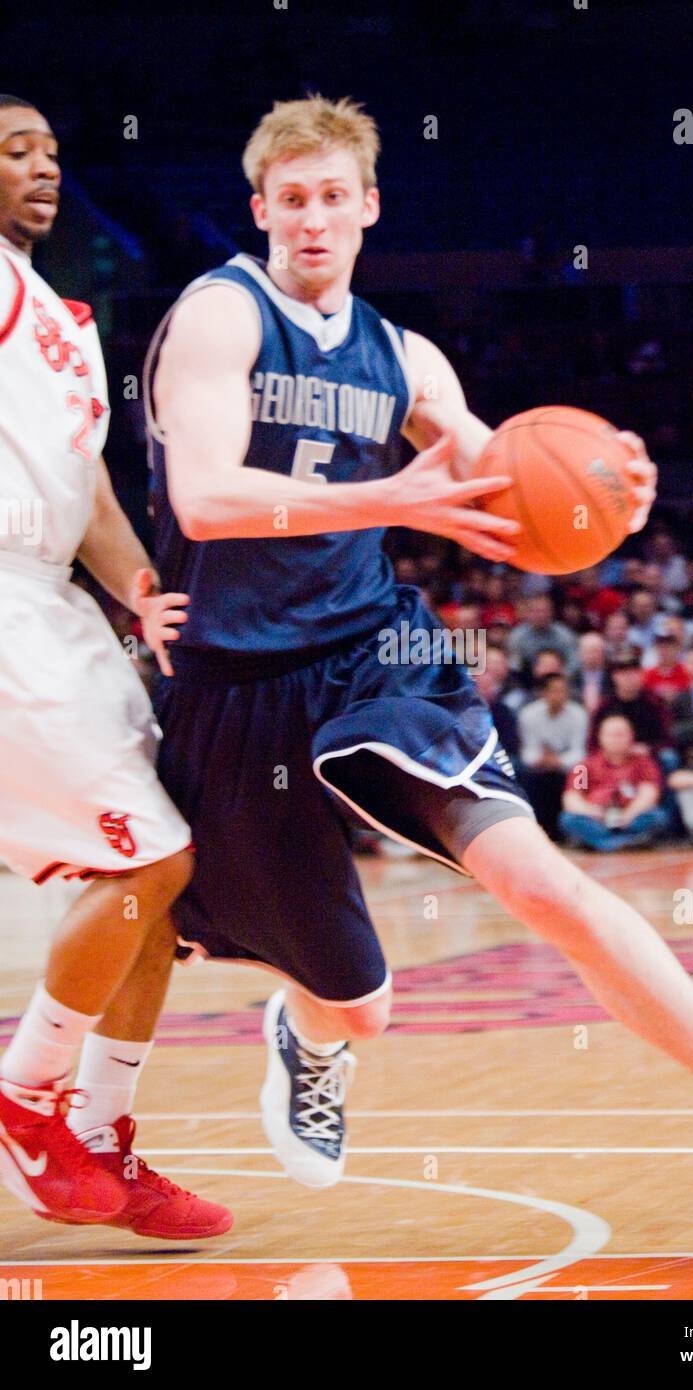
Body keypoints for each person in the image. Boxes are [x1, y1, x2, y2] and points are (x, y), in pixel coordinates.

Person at [146, 94, 693, 1208]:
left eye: (334, 197)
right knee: (356, 1004)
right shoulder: (221, 317)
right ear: (261, 210)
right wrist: (388, 493)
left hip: (374, 656)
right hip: (237, 687)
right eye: (292, 201)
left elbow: (507, 500)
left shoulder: (407, 359)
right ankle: (312, 1031)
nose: (313, 220)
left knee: (539, 880)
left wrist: (609, 501)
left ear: (370, 206)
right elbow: (202, 496)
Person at [0, 95, 229, 1237]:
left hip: (57, 605)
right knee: (154, 856)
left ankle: (98, 1133)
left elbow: (89, 489)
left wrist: (144, 599)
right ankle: (23, 1094)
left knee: (162, 888)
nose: (43, 168)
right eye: (12, 152)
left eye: (52, 151)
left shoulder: (64, 318)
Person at [559, 715, 668, 851]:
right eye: (611, 735)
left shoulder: (644, 764)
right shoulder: (584, 766)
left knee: (657, 816)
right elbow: (572, 798)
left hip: (631, 816)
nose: (616, 740)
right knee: (568, 819)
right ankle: (621, 843)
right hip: (596, 818)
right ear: (600, 737)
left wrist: (628, 814)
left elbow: (649, 794)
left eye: (621, 735)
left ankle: (601, 843)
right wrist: (593, 812)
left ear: (631, 736)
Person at [517, 673, 588, 840]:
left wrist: (558, 761)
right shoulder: (528, 714)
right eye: (554, 691)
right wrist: (540, 759)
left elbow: (580, 752)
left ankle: (571, 829)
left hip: (569, 766)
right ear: (543, 693)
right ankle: (534, 826)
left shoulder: (579, 714)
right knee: (524, 772)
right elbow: (527, 751)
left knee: (582, 772)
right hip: (538, 766)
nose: (559, 695)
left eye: (563, 691)